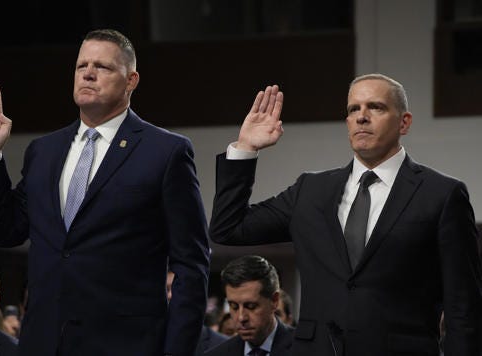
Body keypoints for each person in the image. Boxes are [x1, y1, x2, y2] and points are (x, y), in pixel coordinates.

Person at [0, 28, 210, 356]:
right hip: (44, 343)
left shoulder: (166, 152)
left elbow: (191, 265)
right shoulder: (44, 150)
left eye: (102, 67)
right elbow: (8, 232)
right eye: (81, 66)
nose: (88, 74)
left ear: (131, 80)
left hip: (126, 345)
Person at [209, 74, 482, 355]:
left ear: (404, 122)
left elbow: (463, 308)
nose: (361, 117)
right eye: (353, 109)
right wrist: (246, 148)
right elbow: (228, 228)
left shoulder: (442, 194)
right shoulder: (310, 190)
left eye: (375, 107)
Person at [205, 255, 294, 356]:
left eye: (251, 306)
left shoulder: (308, 349)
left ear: (274, 301)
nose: (241, 317)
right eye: (234, 306)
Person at [166, 271, 227, 355]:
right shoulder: (147, 341)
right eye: (166, 289)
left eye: (177, 287)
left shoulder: (222, 345)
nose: (170, 295)